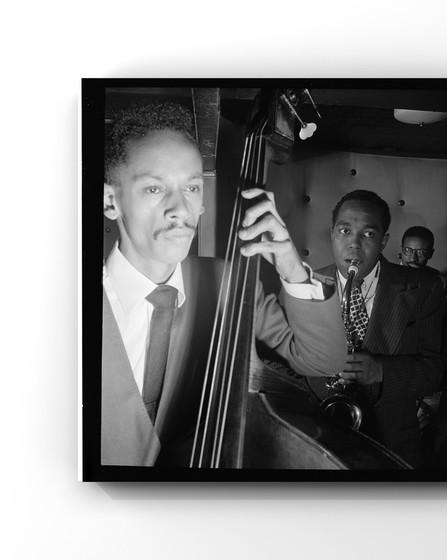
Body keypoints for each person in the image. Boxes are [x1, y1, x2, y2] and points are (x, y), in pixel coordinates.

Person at [101, 102, 347, 467]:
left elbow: (325, 360)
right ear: (110, 200)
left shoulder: (227, 282)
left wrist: (291, 265)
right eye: (154, 189)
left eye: (191, 188)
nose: (180, 209)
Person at [306, 190, 446, 467]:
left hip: (393, 444)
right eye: (345, 230)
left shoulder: (424, 288)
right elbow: (281, 364)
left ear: (383, 242)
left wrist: (381, 371)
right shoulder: (305, 286)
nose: (354, 245)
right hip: (317, 442)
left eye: (367, 235)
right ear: (332, 233)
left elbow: (434, 371)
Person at [399, 226, 447, 298]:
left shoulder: (440, 281)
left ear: (430, 254)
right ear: (402, 250)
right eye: (408, 250)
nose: (413, 258)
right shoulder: (385, 276)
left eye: (421, 252)